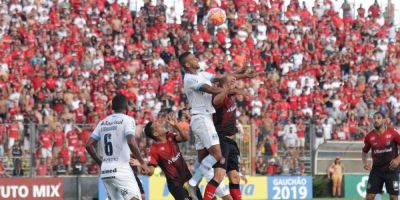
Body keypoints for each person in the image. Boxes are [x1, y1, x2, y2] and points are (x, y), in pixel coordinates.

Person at [179, 52, 256, 200]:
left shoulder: (200, 74)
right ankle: (192, 183)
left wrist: (242, 75)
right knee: (217, 155)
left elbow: (221, 79)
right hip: (202, 118)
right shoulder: (190, 79)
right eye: (193, 59)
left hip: (202, 118)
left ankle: (193, 184)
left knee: (203, 159)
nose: (197, 59)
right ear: (187, 65)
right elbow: (214, 89)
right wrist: (230, 88)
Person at [86, 94, 148, 200]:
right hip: (121, 169)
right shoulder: (128, 120)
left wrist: (100, 162)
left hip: (106, 171)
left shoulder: (103, 123)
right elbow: (131, 142)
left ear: (112, 107)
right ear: (126, 106)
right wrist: (142, 162)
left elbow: (88, 145)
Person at [211, 75, 247, 200]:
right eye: (231, 81)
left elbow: (233, 87)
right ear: (223, 84)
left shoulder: (230, 94)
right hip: (219, 137)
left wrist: (237, 86)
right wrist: (228, 88)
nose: (234, 83)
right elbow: (216, 101)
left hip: (229, 139)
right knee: (219, 175)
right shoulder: (218, 95)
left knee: (235, 177)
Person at [362, 112, 400, 200]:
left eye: (378, 118)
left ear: (384, 120)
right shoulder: (369, 136)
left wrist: (398, 159)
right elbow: (364, 152)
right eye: (374, 118)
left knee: (394, 197)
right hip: (376, 171)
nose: (376, 120)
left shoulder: (393, 133)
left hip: (392, 170)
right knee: (369, 197)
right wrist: (365, 162)